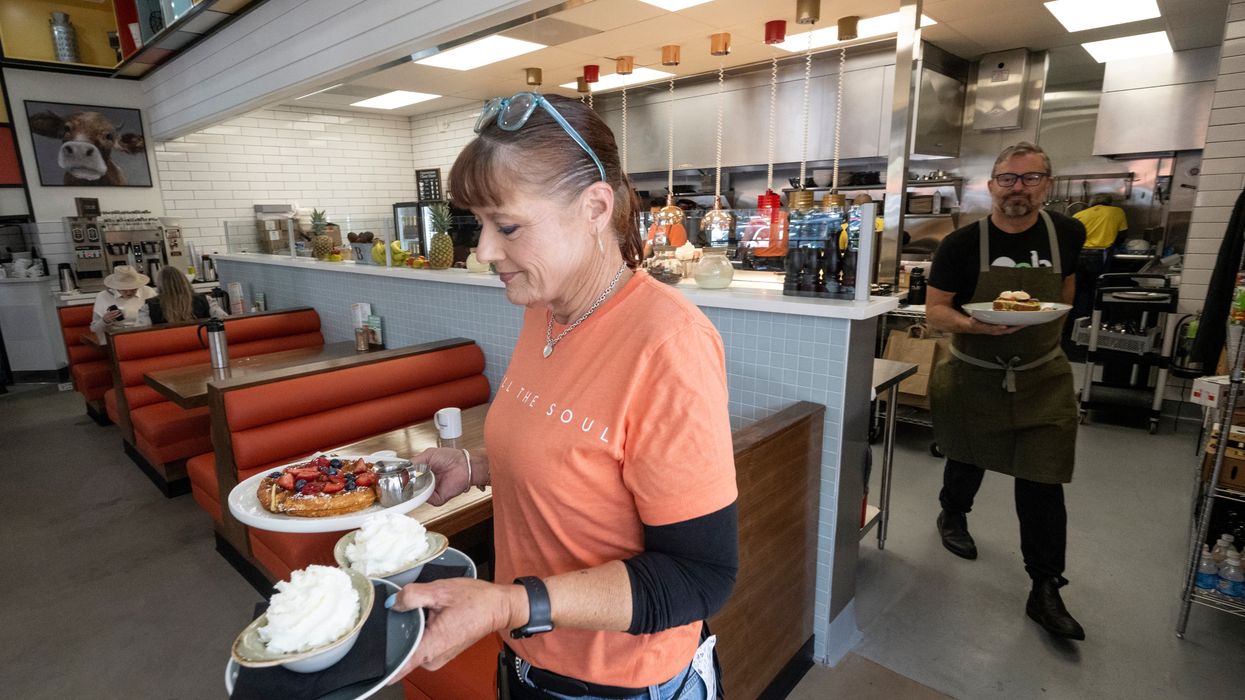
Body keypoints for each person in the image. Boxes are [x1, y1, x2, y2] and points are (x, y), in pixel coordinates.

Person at [388, 92, 738, 698]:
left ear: (595, 207)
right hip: (529, 662)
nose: (484, 251)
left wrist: (508, 606)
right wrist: (474, 467)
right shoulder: (544, 310)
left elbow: (699, 577)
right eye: (478, 225)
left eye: (508, 226)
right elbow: (578, 459)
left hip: (621, 683)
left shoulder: (667, 344)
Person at [925, 142, 1088, 641]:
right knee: (966, 455)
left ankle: (1045, 587)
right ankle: (953, 514)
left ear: (1048, 184)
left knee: (1043, 479)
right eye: (1008, 179)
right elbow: (937, 314)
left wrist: (1040, 326)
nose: (1018, 188)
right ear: (991, 185)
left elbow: (1064, 294)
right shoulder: (961, 244)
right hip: (975, 371)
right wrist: (977, 326)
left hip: (1042, 374)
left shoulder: (1067, 233)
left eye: (1030, 178)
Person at [1071, 193, 1129, 326]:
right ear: (1109, 202)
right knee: (1096, 289)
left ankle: (1074, 323)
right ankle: (1094, 323)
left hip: (1078, 255)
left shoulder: (1080, 214)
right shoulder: (1117, 212)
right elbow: (1122, 236)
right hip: (1099, 254)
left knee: (1077, 289)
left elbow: (1071, 237)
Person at [89, 265, 155, 342]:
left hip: (146, 334)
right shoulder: (103, 296)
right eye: (124, 289)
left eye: (134, 289)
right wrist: (105, 321)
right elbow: (94, 329)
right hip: (117, 338)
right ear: (116, 287)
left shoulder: (148, 292)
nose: (129, 292)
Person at [147, 266, 216, 324]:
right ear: (185, 281)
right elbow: (224, 319)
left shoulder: (149, 306)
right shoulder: (205, 299)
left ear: (160, 285)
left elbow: (141, 331)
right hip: (201, 337)